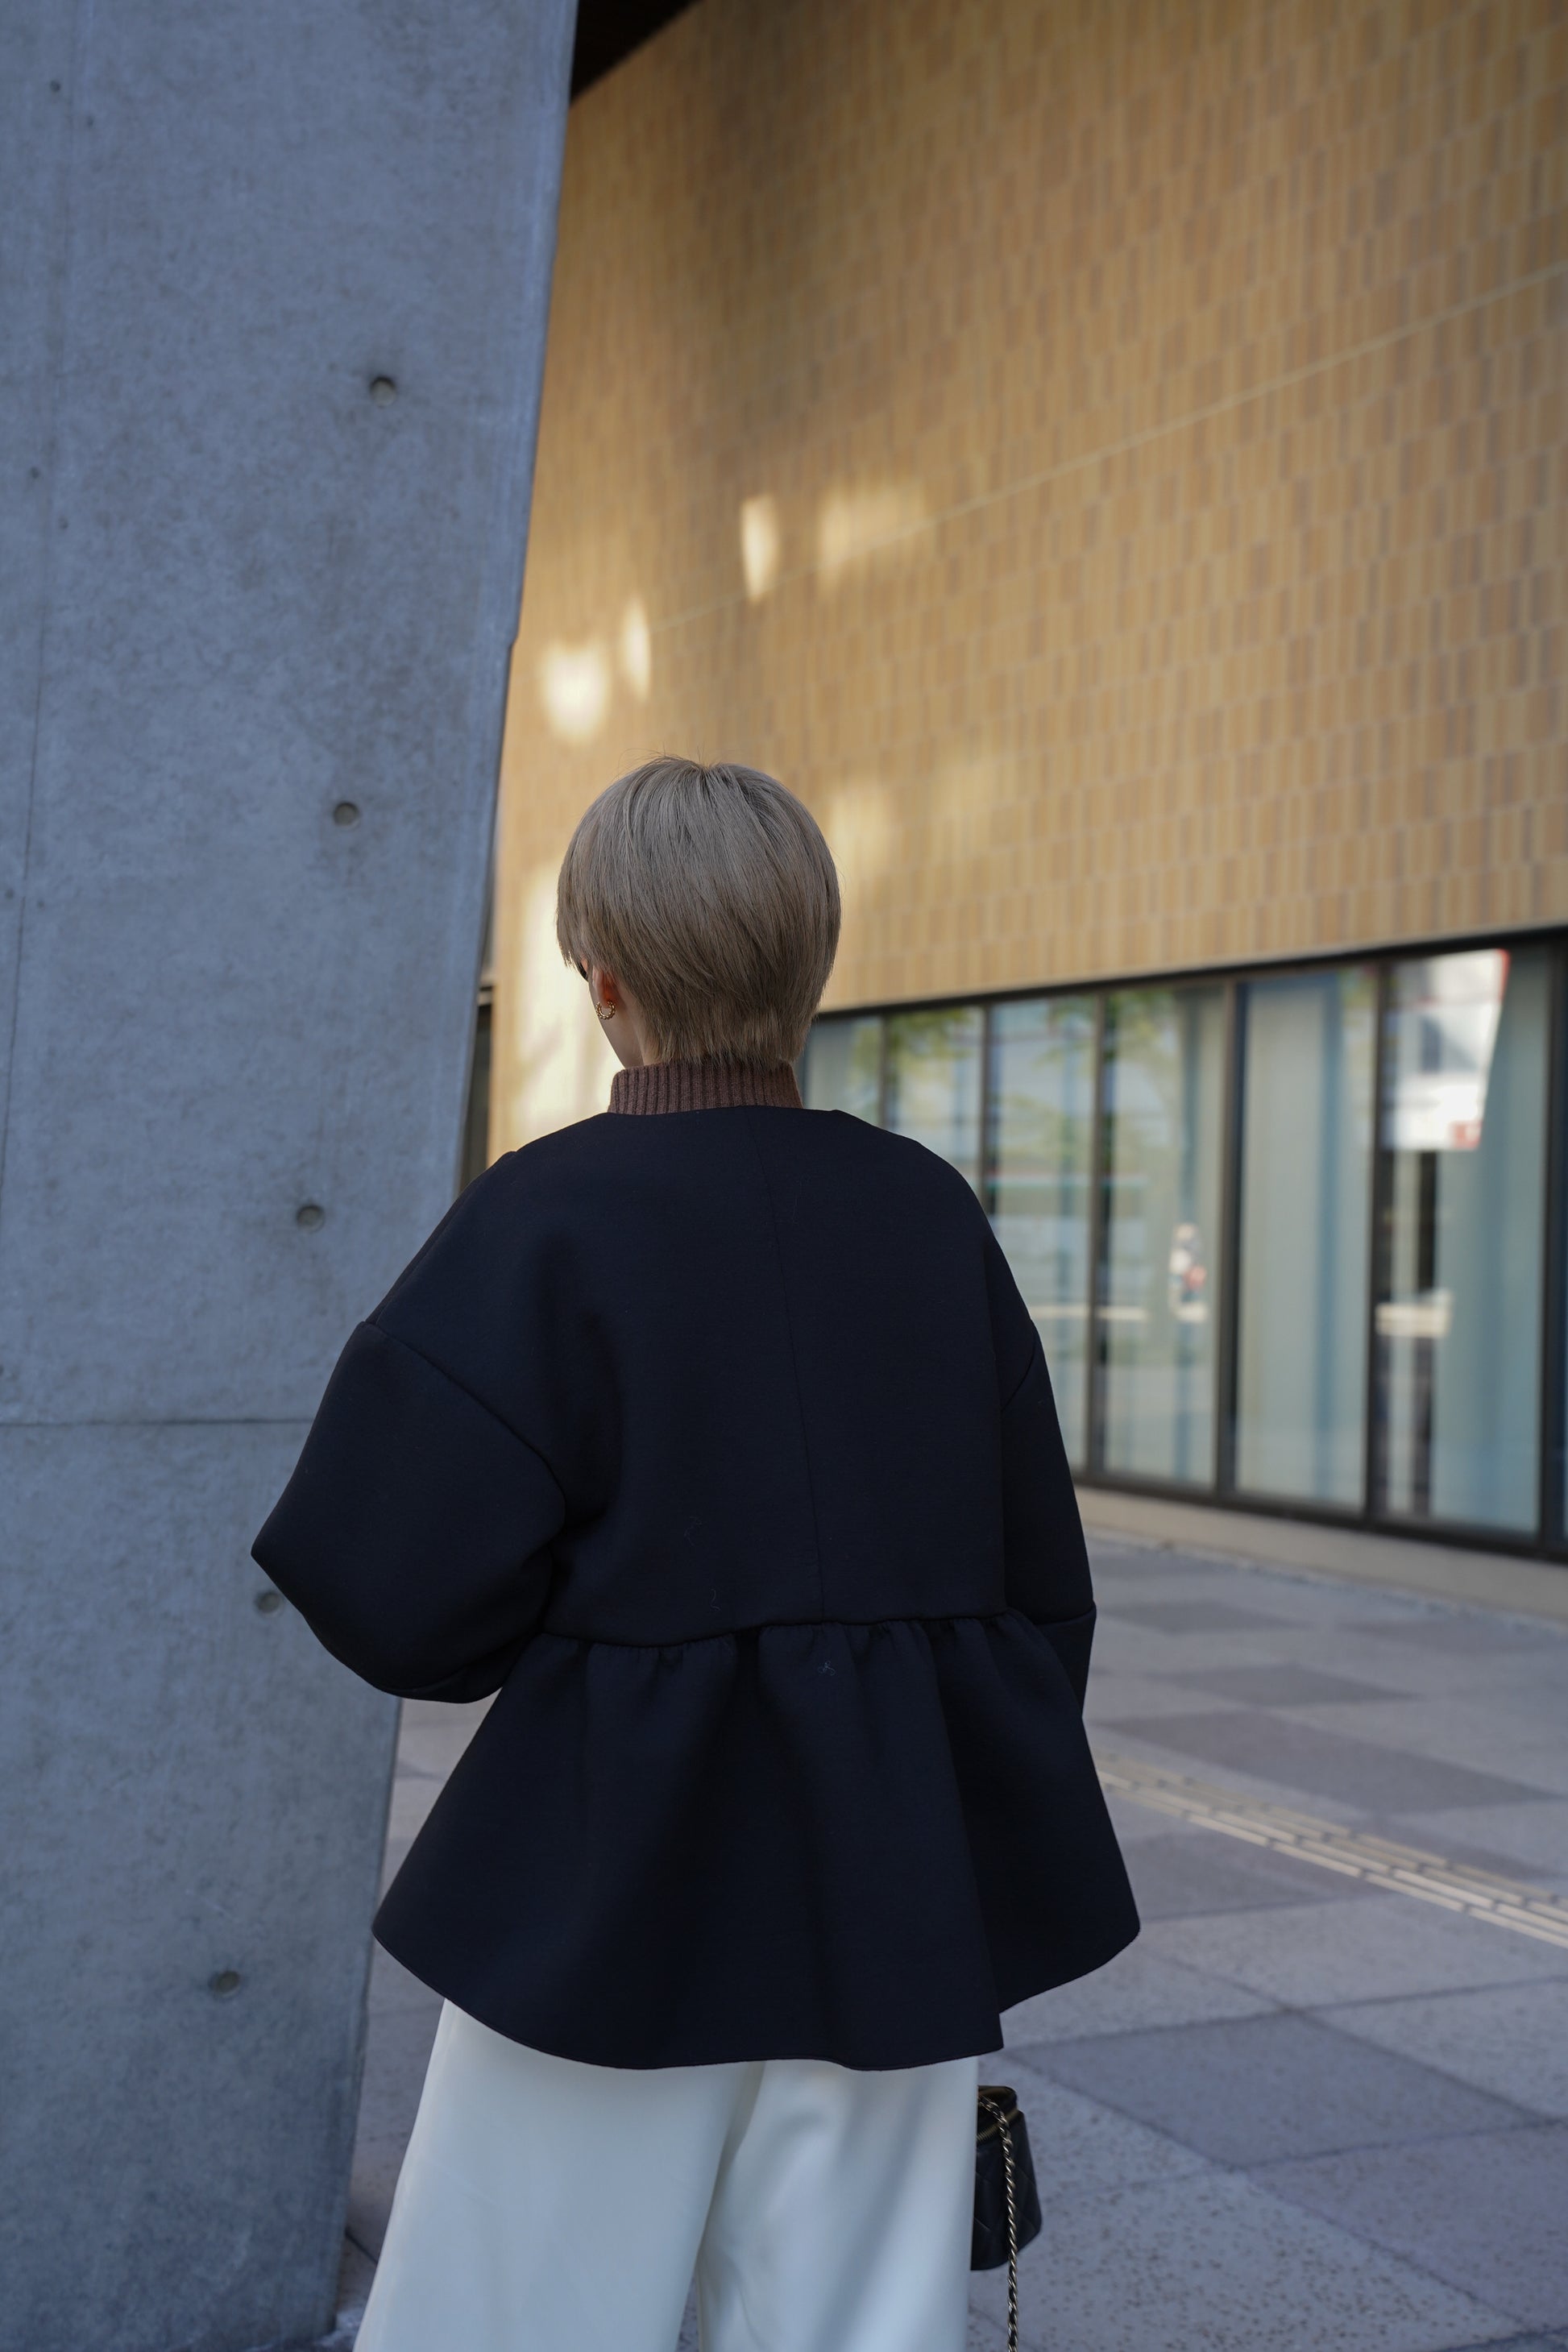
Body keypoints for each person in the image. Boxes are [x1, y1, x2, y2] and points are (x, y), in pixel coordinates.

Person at [254, 756, 1138, 2352]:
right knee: (856, 2325)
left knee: (515, 2316)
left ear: (602, 979)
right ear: (812, 966)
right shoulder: (927, 1213)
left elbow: (385, 1579)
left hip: (606, 1878)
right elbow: (1037, 1589)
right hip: (889, 1886)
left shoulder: (544, 1219)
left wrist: (562, 1635)